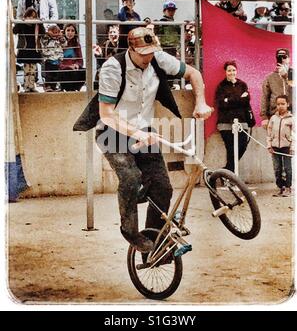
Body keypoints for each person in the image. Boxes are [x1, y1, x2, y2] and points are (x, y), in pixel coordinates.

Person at [95, 27, 212, 252]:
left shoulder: (158, 59)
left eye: (151, 52)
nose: (148, 57)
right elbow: (107, 115)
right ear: (131, 49)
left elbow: (193, 73)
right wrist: (139, 134)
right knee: (130, 177)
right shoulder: (113, 68)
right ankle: (130, 230)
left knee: (163, 188)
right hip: (112, 132)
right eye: (143, 53)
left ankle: (155, 243)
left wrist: (200, 102)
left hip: (143, 131)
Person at [215, 60, 251, 172]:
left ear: (237, 71)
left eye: (234, 70)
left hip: (242, 121)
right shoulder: (221, 86)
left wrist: (229, 100)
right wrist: (239, 99)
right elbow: (221, 104)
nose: (231, 72)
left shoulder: (242, 84)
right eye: (229, 70)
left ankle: (226, 172)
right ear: (225, 72)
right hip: (225, 123)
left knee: (242, 146)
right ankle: (229, 176)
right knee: (231, 150)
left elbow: (246, 101)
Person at [267, 95, 294, 197]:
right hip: (275, 147)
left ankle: (288, 188)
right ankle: (280, 188)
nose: (280, 106)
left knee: (287, 168)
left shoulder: (291, 119)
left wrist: (293, 147)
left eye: (283, 104)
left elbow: (295, 134)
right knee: (277, 168)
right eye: (278, 104)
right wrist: (269, 145)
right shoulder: (273, 118)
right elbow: (269, 133)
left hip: (287, 146)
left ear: (287, 104)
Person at [13, 7, 45, 92]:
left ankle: (32, 86)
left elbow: (43, 32)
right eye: (30, 16)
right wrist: (20, 21)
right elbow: (14, 30)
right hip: (25, 50)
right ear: (26, 16)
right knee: (26, 69)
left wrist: (40, 23)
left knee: (33, 69)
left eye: (34, 17)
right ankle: (26, 86)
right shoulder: (22, 24)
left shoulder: (37, 25)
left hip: (34, 50)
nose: (31, 18)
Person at [260, 48, 293, 129]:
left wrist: (286, 76)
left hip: (293, 115)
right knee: (275, 140)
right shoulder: (270, 77)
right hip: (275, 115)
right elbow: (265, 97)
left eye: (284, 57)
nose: (282, 59)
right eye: (279, 57)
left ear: (289, 59)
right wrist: (264, 117)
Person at [59, 23, 86, 91]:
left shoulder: (77, 44)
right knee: (68, 72)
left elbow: (80, 61)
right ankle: (68, 90)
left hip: (73, 69)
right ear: (64, 32)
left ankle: (75, 89)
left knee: (84, 71)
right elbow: (57, 61)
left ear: (75, 33)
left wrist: (76, 65)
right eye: (68, 30)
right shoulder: (59, 43)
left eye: (72, 31)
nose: (70, 33)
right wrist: (68, 66)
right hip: (63, 70)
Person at [40, 24, 67, 92]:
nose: (55, 34)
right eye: (53, 32)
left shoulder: (59, 40)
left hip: (57, 60)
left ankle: (53, 86)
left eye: (57, 32)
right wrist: (48, 34)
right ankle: (48, 86)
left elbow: (64, 44)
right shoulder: (47, 39)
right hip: (48, 59)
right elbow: (43, 40)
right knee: (48, 75)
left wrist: (61, 37)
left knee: (56, 75)